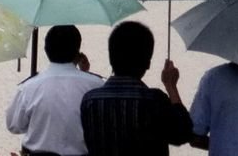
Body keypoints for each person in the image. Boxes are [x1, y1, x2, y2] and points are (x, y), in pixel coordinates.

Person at [81, 21, 192, 155]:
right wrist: (171, 86)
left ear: (111, 58)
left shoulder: (90, 101)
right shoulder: (155, 100)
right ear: (147, 63)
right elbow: (182, 133)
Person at [6, 25, 104, 156]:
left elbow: (14, 126)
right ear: (78, 52)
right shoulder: (96, 85)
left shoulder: (29, 87)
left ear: (46, 50)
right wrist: (85, 73)